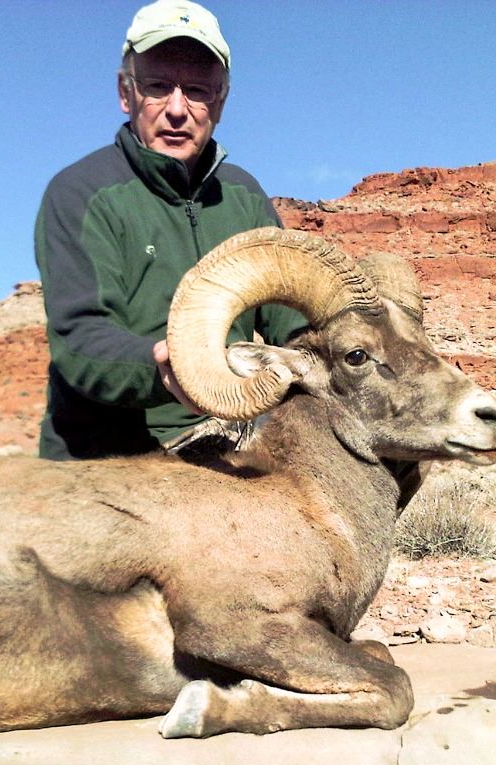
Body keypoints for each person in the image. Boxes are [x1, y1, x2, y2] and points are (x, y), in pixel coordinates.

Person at [34, 0, 305, 460]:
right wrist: (160, 366)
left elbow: (293, 319)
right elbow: (80, 341)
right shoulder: (81, 192)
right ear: (126, 93)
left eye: (197, 90)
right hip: (108, 457)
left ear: (220, 101)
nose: (177, 110)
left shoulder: (243, 195)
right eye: (158, 87)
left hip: (229, 441)